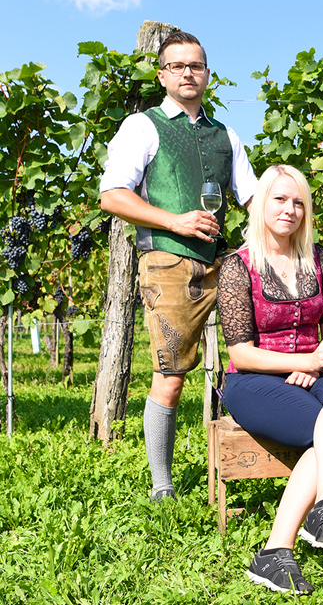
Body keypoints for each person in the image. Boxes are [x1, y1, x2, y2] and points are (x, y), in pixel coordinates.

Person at [99, 32, 258, 502]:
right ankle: (162, 488)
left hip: (223, 263)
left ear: (207, 74)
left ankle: (256, 460)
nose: (189, 73)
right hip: (167, 262)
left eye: (197, 65)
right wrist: (176, 220)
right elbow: (112, 196)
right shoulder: (142, 127)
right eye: (179, 66)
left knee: (252, 360)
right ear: (163, 74)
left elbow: (251, 198)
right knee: (170, 376)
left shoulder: (225, 134)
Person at [217, 164, 323, 595]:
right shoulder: (238, 266)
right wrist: (299, 360)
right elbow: (239, 351)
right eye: (280, 199)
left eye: (298, 201)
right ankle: (276, 549)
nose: (290, 209)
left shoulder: (317, 260)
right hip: (253, 380)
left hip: (313, 370)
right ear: (261, 202)